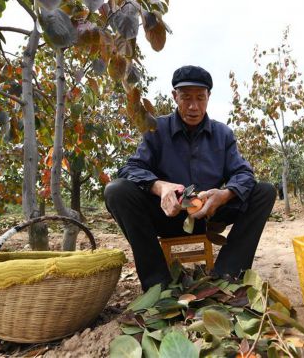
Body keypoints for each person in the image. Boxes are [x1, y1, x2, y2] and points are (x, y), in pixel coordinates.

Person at [104, 65, 276, 291]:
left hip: (209, 216)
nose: (194, 106)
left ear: (208, 97)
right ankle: (158, 283)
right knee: (116, 191)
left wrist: (223, 196)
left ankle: (228, 274)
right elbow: (130, 168)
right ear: (175, 96)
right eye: (186, 98)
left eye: (200, 98)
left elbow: (244, 174)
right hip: (167, 215)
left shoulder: (222, 134)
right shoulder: (157, 129)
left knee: (265, 191)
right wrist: (160, 187)